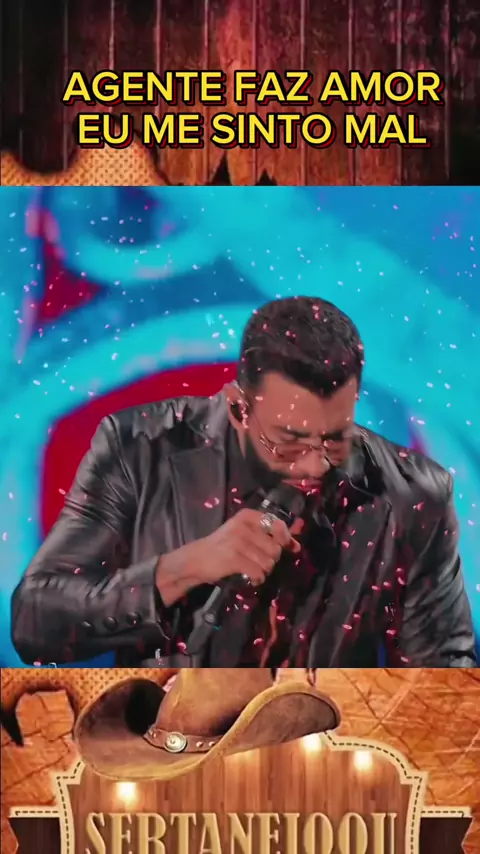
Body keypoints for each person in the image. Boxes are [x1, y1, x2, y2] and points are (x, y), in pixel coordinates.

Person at [11, 296, 476, 668]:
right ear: (238, 408)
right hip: (166, 739)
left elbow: (442, 678)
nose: (315, 465)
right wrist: (184, 568)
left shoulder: (415, 492)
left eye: (335, 438)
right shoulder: (140, 449)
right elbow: (36, 622)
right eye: (289, 441)